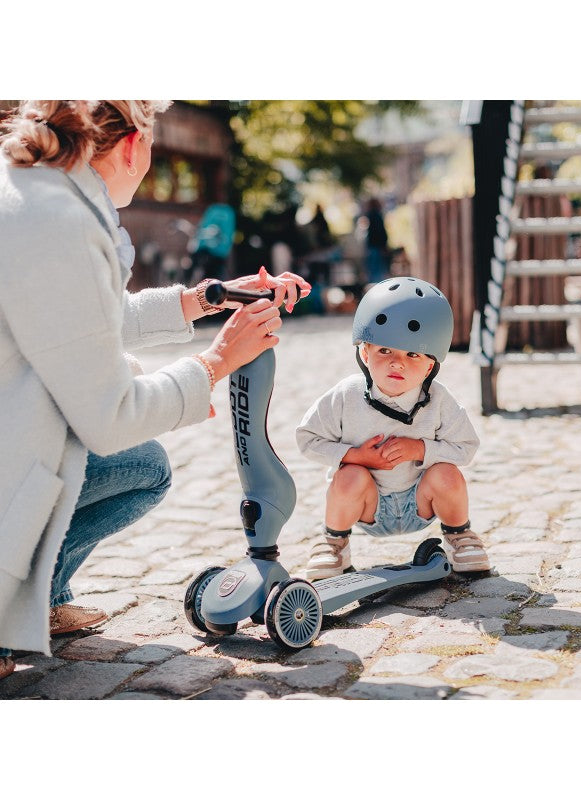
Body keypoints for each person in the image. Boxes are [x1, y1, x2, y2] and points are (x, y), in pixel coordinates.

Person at [0, 100, 311, 681]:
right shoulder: (62, 223)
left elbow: (86, 320)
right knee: (143, 463)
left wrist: (207, 298)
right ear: (134, 146)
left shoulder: (32, 193)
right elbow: (112, 416)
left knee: (137, 464)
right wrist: (217, 362)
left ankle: (40, 595)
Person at [296, 277, 489, 582]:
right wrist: (356, 455)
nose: (397, 363)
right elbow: (307, 438)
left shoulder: (438, 399)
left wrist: (421, 449)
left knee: (448, 475)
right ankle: (335, 543)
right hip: (368, 504)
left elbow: (466, 446)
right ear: (365, 353)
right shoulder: (345, 396)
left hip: (419, 502)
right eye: (385, 350)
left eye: (412, 354)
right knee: (348, 476)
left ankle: (460, 536)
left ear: (429, 366)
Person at [364, 197, 389, 283]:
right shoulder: (376, 215)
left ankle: (375, 283)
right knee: (377, 269)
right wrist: (383, 245)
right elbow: (380, 232)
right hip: (376, 246)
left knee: (374, 269)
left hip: (373, 246)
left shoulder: (371, 215)